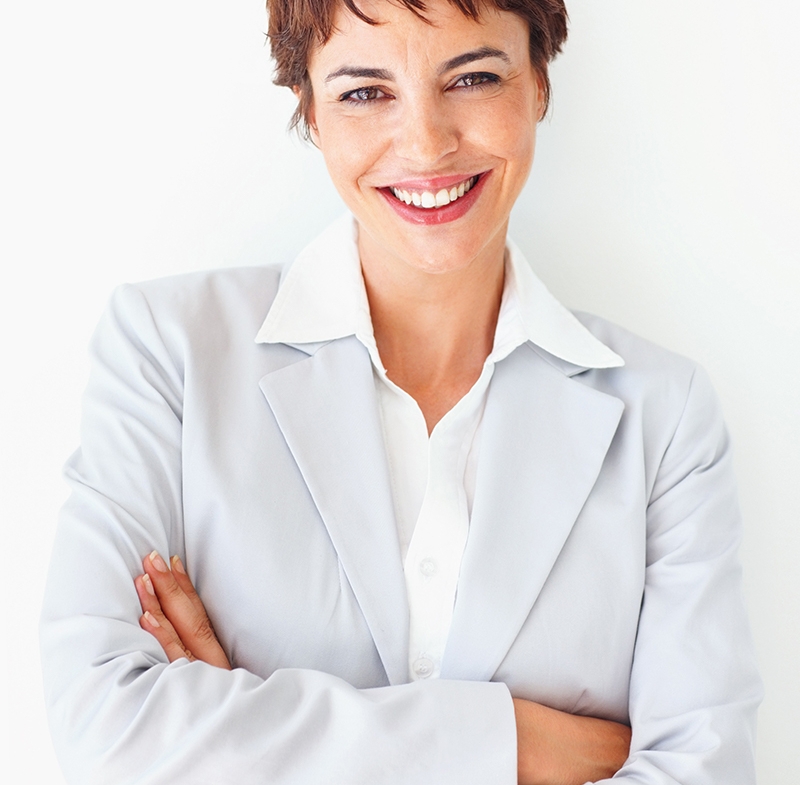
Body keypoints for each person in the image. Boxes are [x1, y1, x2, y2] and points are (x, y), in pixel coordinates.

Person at [40, 0, 762, 783]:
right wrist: (516, 743)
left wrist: (241, 740)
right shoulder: (168, 353)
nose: (426, 144)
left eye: (474, 78)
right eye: (364, 91)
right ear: (309, 108)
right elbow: (104, 729)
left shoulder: (665, 418)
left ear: (539, 83)